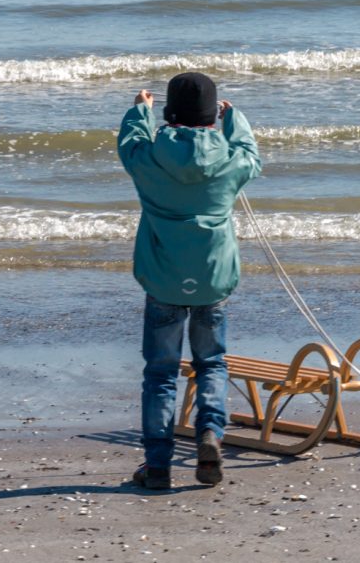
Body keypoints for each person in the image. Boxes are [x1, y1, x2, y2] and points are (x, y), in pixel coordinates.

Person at [117, 72, 261, 489]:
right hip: (212, 278)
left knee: (161, 373)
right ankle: (209, 436)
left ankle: (158, 465)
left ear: (170, 114)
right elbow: (252, 154)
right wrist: (236, 120)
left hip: (163, 279)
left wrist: (138, 110)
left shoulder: (148, 160)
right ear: (212, 117)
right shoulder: (231, 160)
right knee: (211, 363)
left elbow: (129, 145)